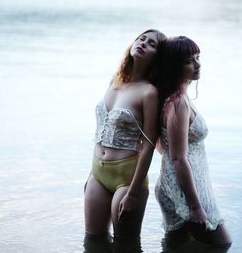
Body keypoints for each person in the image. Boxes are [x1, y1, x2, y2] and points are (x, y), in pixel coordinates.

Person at [84, 29, 167, 241]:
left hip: (128, 179)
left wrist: (134, 192)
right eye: (141, 38)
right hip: (97, 174)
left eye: (151, 44)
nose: (143, 43)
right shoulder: (116, 80)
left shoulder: (149, 92)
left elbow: (148, 144)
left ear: (157, 57)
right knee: (93, 241)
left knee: (126, 245)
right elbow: (101, 130)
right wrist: (91, 174)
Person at [155, 36, 232, 249]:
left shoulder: (169, 98)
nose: (197, 65)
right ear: (174, 66)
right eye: (189, 61)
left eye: (198, 58)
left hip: (172, 185)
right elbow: (178, 158)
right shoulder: (178, 103)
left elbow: (163, 146)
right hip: (187, 191)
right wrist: (195, 206)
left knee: (175, 248)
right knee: (222, 245)